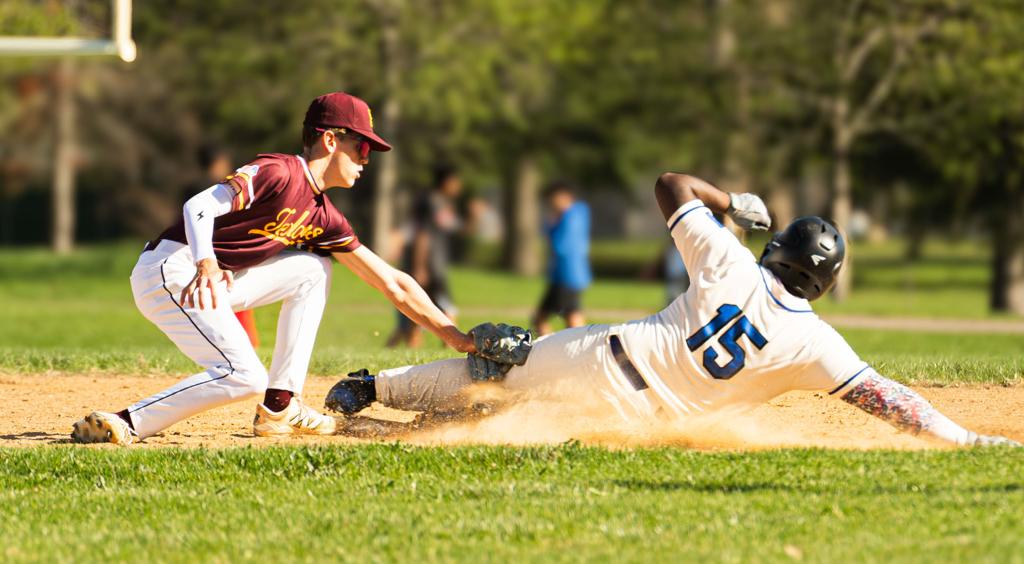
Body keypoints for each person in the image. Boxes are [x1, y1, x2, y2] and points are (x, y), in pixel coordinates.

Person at [326, 172, 1019, 448]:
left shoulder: (729, 261)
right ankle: (401, 426)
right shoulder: (819, 347)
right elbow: (891, 399)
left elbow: (668, 184)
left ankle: (369, 389)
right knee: (501, 413)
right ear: (825, 283)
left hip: (604, 355)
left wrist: (728, 202)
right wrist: (967, 441)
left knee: (501, 366)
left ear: (777, 249)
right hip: (636, 419)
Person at [70, 92, 477, 445]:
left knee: (314, 269)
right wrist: (207, 261)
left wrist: (458, 339)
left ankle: (280, 407)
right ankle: (126, 422)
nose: (366, 159)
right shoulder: (279, 171)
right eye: (362, 147)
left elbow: (392, 282)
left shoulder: (323, 215)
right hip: (169, 268)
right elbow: (198, 206)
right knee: (243, 375)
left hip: (210, 279)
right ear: (330, 140)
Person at [386, 166, 463, 348]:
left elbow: (452, 227)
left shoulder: (440, 202)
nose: (458, 186)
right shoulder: (431, 202)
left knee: (414, 314)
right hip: (430, 266)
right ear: (446, 181)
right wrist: (420, 266)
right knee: (446, 312)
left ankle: (396, 349)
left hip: (430, 265)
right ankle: (453, 348)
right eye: (455, 181)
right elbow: (422, 235)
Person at [532, 182, 592, 336]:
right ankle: (549, 349)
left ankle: (578, 350)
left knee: (572, 317)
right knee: (540, 318)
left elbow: (561, 245)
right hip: (561, 275)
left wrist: (551, 226)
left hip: (569, 274)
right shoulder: (578, 213)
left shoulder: (571, 216)